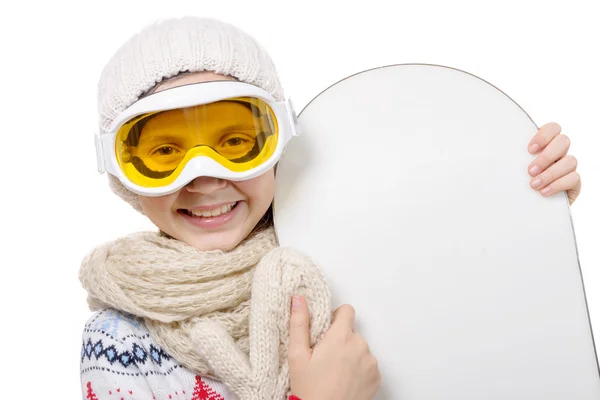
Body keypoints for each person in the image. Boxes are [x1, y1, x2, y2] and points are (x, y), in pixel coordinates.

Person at [78, 16, 581, 400]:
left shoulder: (346, 242)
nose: (206, 177)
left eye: (235, 141)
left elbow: (455, 263)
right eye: (163, 154)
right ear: (123, 178)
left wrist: (520, 196)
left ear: (279, 147)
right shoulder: (119, 342)